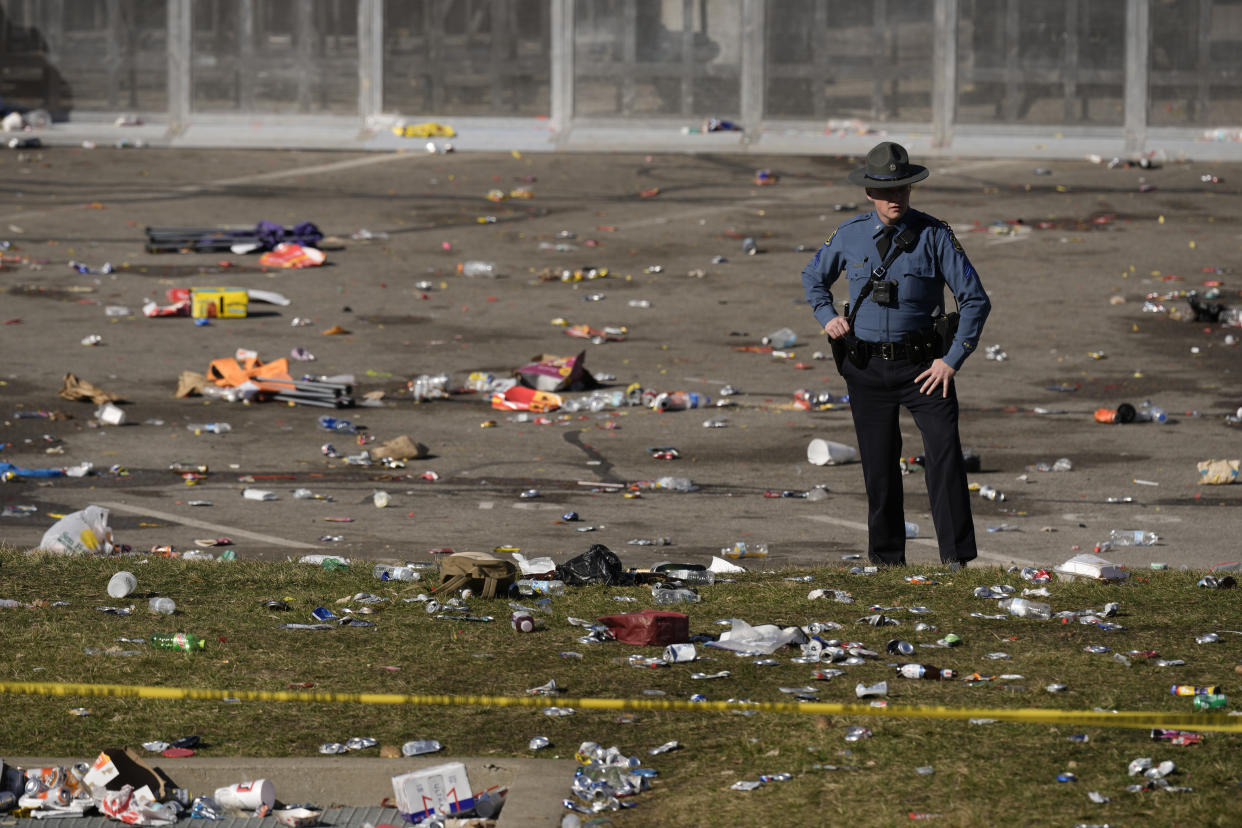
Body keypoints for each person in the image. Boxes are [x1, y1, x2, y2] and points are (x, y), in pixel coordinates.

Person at [800, 142, 991, 567]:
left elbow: (975, 300)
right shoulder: (849, 235)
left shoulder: (935, 236)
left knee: (944, 458)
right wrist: (826, 315)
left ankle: (956, 559)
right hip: (865, 368)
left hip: (925, 368)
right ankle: (886, 560)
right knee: (879, 468)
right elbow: (813, 277)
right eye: (885, 191)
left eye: (902, 189)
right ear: (869, 192)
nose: (894, 198)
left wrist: (952, 359)